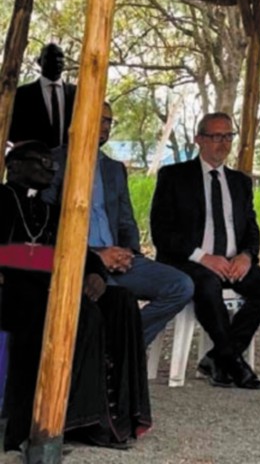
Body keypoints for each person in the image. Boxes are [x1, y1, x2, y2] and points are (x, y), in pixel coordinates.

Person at [1, 142, 152, 452]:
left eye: (51, 163)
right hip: (15, 293)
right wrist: (58, 266)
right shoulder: (1, 199)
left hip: (56, 287)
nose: (51, 168)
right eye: (41, 162)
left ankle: (115, 418)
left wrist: (94, 272)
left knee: (121, 300)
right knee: (80, 310)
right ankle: (70, 421)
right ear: (14, 166)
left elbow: (77, 250)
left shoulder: (50, 210)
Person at [149, 112, 260, 390]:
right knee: (207, 283)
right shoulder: (174, 176)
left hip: (233, 262)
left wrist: (247, 255)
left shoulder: (240, 182)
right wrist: (203, 257)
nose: (222, 143)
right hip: (188, 262)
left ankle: (219, 356)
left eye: (228, 136)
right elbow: (162, 233)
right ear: (199, 139)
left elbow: (252, 229)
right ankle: (232, 361)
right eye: (215, 136)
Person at [46, 102, 194, 346]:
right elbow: (46, 224)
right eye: (99, 118)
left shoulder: (113, 169)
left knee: (181, 285)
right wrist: (96, 256)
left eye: (108, 121)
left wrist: (127, 253)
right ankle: (116, 353)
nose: (104, 126)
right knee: (115, 298)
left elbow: (126, 221)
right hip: (78, 261)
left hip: (118, 260)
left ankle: (123, 347)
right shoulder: (54, 163)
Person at [9, 43, 77, 147]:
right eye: (51, 56)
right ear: (39, 61)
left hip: (68, 159)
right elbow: (12, 130)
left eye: (61, 57)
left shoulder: (76, 94)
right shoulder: (22, 95)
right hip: (33, 159)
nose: (57, 60)